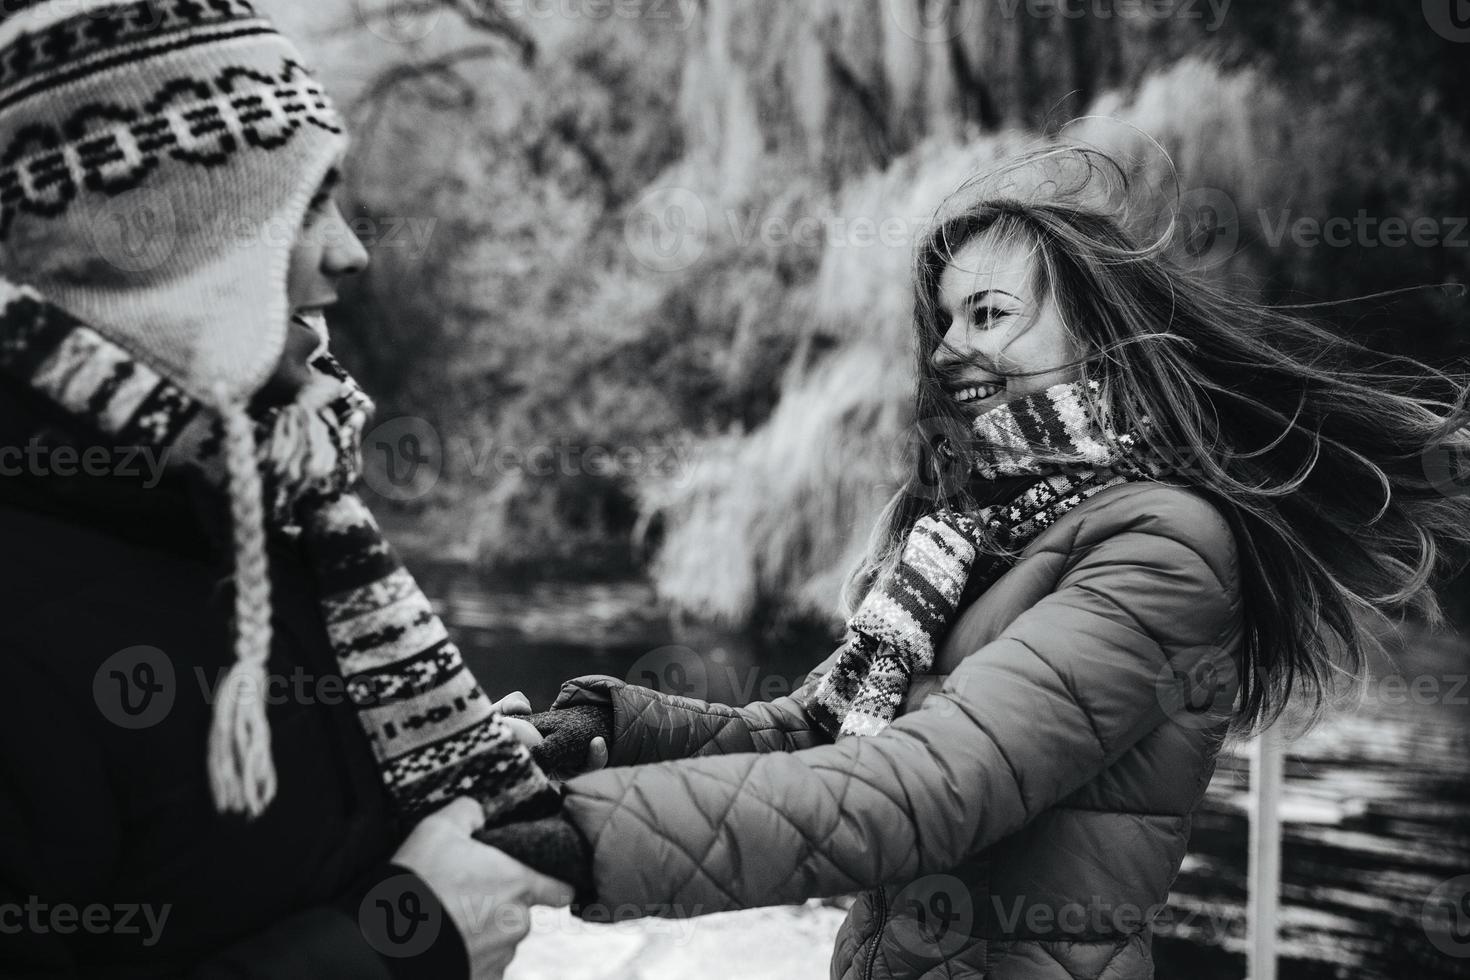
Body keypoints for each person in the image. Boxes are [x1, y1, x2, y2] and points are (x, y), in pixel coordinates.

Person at [482, 147, 1470, 979]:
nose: (950, 346)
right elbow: (818, 734)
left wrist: (567, 837)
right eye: (945, 320)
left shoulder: (1161, 542)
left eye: (990, 314)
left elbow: (926, 787)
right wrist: (601, 735)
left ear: (1101, 338)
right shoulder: (971, 538)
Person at [0, 3, 573, 976]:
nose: (350, 252)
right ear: (156, 246)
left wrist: (444, 766)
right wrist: (405, 935)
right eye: (300, 205)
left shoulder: (277, 502)